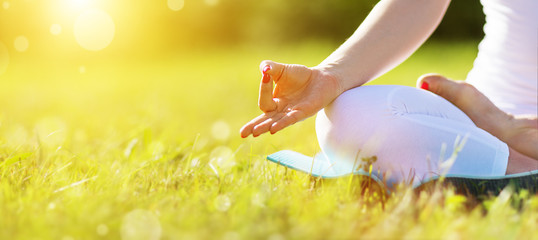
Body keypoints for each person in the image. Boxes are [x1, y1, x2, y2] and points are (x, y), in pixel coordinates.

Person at [240, 0, 537, 185]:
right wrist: (332, 76)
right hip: (479, 121)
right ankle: (510, 155)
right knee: (352, 116)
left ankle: (523, 166)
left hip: (495, 124)